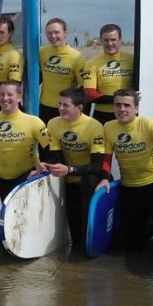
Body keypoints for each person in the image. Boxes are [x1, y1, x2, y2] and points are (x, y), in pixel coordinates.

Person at [98, 89, 153, 259]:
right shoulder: (108, 127)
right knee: (134, 246)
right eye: (118, 105)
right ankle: (152, 225)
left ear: (136, 109)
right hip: (130, 189)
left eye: (127, 105)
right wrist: (104, 179)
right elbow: (106, 158)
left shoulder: (147, 124)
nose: (122, 109)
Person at [42, 88, 105, 255]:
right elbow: (55, 157)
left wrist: (70, 169)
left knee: (90, 180)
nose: (61, 108)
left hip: (90, 182)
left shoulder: (94, 126)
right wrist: (45, 166)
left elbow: (97, 165)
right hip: (69, 180)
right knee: (76, 238)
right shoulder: (53, 124)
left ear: (79, 108)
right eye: (59, 104)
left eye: (66, 105)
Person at [0, 81, 47, 199]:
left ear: (19, 97)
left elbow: (50, 147)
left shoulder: (34, 122)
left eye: (10, 94)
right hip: (1, 180)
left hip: (27, 178)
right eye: (2, 94)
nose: (5, 98)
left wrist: (42, 166)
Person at [81, 24, 134, 123]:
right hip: (103, 115)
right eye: (106, 40)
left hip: (128, 114)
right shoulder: (92, 63)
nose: (109, 43)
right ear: (101, 41)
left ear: (120, 39)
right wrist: (119, 100)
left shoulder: (132, 60)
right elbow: (90, 94)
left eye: (113, 39)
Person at [37, 18, 84, 124]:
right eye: (49, 33)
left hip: (66, 108)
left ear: (65, 33)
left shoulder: (77, 57)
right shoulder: (42, 52)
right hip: (44, 107)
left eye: (56, 32)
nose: (53, 36)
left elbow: (83, 89)